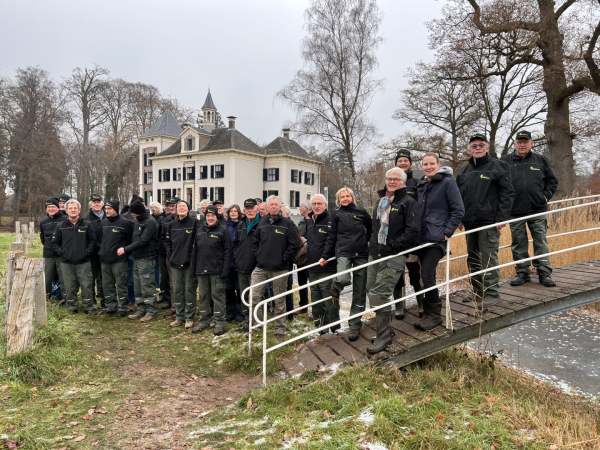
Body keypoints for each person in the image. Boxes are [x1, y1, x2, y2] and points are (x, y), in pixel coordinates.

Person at [366, 168, 421, 354]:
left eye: (396, 179)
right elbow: (375, 229)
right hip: (375, 254)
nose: (391, 181)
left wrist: (395, 245)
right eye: (389, 178)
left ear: (403, 183)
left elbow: (413, 230)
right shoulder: (381, 202)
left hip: (394, 255)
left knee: (380, 294)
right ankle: (387, 329)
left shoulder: (408, 202)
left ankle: (383, 337)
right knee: (370, 289)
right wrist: (372, 246)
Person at [457, 133, 514, 306]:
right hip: (470, 222)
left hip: (489, 222)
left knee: (488, 257)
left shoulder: (498, 166)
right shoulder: (463, 172)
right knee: (473, 258)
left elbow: (507, 193)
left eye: (481, 145)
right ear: (469, 150)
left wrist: (502, 217)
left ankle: (492, 293)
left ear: (487, 147)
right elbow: (458, 197)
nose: (478, 148)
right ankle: (477, 291)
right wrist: (459, 217)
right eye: (474, 146)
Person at [413, 153, 464, 330]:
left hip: (437, 238)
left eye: (431, 164)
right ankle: (428, 312)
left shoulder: (447, 183)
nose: (428, 167)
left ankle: (435, 316)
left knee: (427, 274)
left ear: (438, 164)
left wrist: (447, 232)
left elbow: (458, 210)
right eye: (425, 164)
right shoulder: (422, 185)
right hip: (422, 238)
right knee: (424, 276)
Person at [501, 130, 559, 287]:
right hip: (515, 211)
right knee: (518, 242)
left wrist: (545, 196)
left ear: (531, 144)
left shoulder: (540, 160)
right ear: (514, 144)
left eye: (525, 142)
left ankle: (544, 272)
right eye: (519, 142)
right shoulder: (505, 162)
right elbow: (498, 184)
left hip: (537, 209)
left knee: (540, 240)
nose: (522, 144)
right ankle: (523, 272)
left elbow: (552, 181)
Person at [320, 187, 372, 342]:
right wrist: (325, 256)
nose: (345, 198)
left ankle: (355, 325)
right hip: (343, 252)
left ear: (352, 197)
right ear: (338, 199)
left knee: (359, 290)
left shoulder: (361, 212)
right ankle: (335, 287)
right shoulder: (335, 214)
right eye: (342, 196)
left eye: (348, 196)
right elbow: (331, 236)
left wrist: (366, 240)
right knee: (342, 278)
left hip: (361, 254)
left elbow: (371, 228)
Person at [251, 195, 299, 341]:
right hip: (261, 267)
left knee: (279, 300)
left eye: (275, 205)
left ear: (279, 207)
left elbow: (294, 244)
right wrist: (258, 256)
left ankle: (280, 330)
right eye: (270, 204)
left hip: (280, 268)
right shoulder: (262, 223)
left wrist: (283, 258)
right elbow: (255, 242)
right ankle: (257, 326)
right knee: (254, 297)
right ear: (267, 206)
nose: (273, 207)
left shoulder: (287, 224)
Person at [190, 205, 232, 336]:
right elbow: (195, 251)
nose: (210, 218)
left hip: (217, 271)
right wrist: (193, 269)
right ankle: (204, 322)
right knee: (203, 297)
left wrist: (225, 270)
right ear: (205, 216)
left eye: (212, 215)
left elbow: (228, 252)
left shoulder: (223, 230)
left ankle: (219, 323)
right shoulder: (200, 230)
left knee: (218, 297)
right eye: (208, 216)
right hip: (201, 271)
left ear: (216, 216)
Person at [392, 150, 424, 319]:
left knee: (414, 272)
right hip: (396, 239)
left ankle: (421, 303)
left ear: (410, 163)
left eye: (405, 160)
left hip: (412, 238)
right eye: (399, 161)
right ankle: (399, 306)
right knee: (397, 273)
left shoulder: (417, 183)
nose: (402, 163)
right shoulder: (391, 185)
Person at [51, 199, 97, 314]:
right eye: (70, 208)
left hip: (84, 261)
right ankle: (71, 306)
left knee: (87, 285)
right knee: (69, 286)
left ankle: (88, 307)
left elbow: (92, 240)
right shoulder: (61, 226)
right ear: (66, 210)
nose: (73, 210)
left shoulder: (86, 224)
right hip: (66, 262)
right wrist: (62, 253)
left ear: (79, 210)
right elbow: (54, 243)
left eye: (75, 208)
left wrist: (87, 252)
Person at [118, 200, 159, 323]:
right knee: (138, 286)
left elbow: (143, 241)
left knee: (147, 286)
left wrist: (125, 249)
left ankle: (151, 311)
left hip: (146, 258)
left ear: (138, 212)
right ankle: (141, 309)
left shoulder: (150, 222)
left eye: (133, 213)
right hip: (137, 258)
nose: (132, 216)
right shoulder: (138, 221)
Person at [165, 200, 198, 329]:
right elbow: (168, 243)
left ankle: (189, 317)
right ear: (176, 210)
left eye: (184, 206)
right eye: (179, 207)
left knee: (189, 290)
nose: (182, 208)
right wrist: (170, 256)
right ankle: (179, 316)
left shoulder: (195, 223)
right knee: (177, 290)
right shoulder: (172, 224)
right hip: (175, 263)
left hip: (189, 263)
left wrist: (192, 258)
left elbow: (197, 242)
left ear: (188, 209)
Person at [306, 194, 337, 333]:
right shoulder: (310, 221)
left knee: (329, 300)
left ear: (325, 205)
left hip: (327, 267)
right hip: (312, 268)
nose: (316, 206)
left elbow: (333, 242)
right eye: (314, 204)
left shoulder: (331, 220)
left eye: (319, 204)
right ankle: (321, 328)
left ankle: (335, 327)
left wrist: (326, 257)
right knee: (316, 300)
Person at [97, 199, 134, 317]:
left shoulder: (125, 223)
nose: (107, 211)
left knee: (121, 284)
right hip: (104, 259)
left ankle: (123, 307)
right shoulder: (103, 222)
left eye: (109, 209)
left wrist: (124, 251)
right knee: (107, 285)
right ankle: (111, 306)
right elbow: (100, 239)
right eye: (105, 209)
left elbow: (130, 240)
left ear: (116, 210)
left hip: (119, 260)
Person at [233, 199, 260, 333]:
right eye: (247, 208)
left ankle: (256, 323)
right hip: (241, 267)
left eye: (252, 208)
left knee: (255, 296)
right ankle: (248, 322)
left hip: (256, 268)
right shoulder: (240, 225)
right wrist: (237, 257)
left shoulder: (262, 224)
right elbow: (235, 244)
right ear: (243, 211)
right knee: (244, 296)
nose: (250, 211)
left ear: (257, 209)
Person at [39, 197, 65, 299]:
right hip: (48, 254)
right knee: (47, 277)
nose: (51, 209)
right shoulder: (43, 221)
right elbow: (43, 238)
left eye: (53, 206)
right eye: (48, 207)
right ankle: (46, 297)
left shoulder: (64, 220)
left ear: (58, 208)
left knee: (63, 277)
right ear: (46, 209)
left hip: (62, 254)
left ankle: (64, 297)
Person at [84, 194, 106, 308]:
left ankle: (104, 300)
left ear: (102, 203)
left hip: (106, 253)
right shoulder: (86, 219)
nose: (97, 204)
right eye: (94, 202)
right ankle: (92, 302)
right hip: (92, 254)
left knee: (104, 278)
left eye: (98, 202)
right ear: (91, 205)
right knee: (91, 278)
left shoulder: (108, 216)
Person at [225, 204, 244, 324]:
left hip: (239, 262)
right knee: (229, 289)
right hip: (228, 262)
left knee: (239, 289)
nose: (233, 213)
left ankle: (240, 314)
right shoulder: (225, 226)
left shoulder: (242, 225)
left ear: (239, 213)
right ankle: (230, 313)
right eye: (231, 211)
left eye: (235, 211)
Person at [161, 197, 179, 318]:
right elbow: (163, 238)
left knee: (184, 284)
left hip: (184, 256)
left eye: (173, 206)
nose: (171, 208)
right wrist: (169, 252)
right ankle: (174, 307)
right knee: (172, 283)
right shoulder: (166, 220)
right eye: (169, 206)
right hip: (170, 255)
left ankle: (185, 307)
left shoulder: (191, 220)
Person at [295, 201, 311, 315]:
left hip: (311, 257)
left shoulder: (313, 221)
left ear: (306, 208)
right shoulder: (300, 222)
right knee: (302, 282)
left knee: (314, 284)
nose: (299, 208)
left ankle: (316, 309)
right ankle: (303, 306)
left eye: (301, 206)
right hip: (301, 258)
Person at [150, 201, 164, 290]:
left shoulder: (161, 218)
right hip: (154, 245)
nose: (152, 212)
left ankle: (158, 284)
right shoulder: (152, 218)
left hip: (158, 245)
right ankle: (156, 284)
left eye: (153, 210)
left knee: (157, 267)